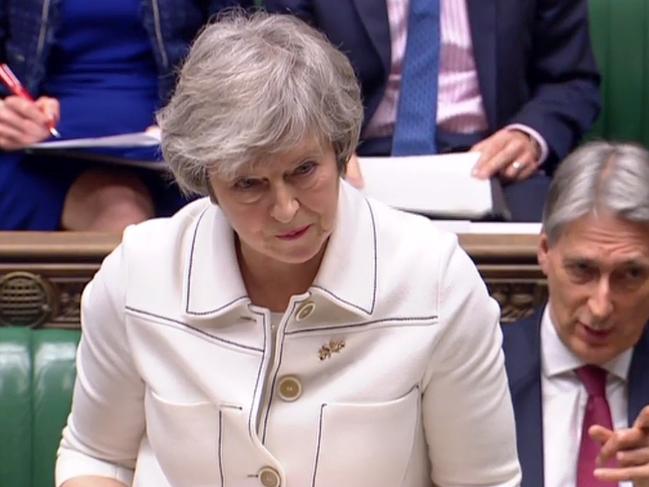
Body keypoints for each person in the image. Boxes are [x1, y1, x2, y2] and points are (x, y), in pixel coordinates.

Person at [55, 11, 521, 487]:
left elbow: (482, 481)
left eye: (303, 170)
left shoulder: (436, 282)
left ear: (340, 149)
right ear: (207, 181)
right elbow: (96, 457)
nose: (285, 209)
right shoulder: (139, 274)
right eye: (249, 184)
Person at [264, 0, 602, 222]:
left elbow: (571, 81)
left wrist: (528, 136)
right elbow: (281, 74)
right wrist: (321, 140)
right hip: (353, 160)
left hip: (491, 164)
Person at [0, 0, 250, 231]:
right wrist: (6, 112)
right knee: (121, 213)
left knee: (125, 214)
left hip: (173, 143)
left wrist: (197, 113)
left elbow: (243, 45)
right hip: (33, 148)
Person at [502, 141, 649, 486]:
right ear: (544, 251)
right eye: (583, 269)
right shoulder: (478, 368)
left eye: (631, 274)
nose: (601, 307)